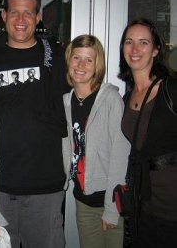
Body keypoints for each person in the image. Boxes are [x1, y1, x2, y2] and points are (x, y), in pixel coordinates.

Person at [0, 0, 68, 248]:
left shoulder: (57, 57)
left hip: (45, 186)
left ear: (38, 17)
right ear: (3, 15)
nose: (20, 20)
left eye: (28, 13)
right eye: (14, 12)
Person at [62, 34, 130, 248]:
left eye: (88, 60)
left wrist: (111, 209)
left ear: (97, 65)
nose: (81, 65)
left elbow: (121, 155)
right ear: (69, 60)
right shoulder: (66, 101)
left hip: (108, 201)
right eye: (76, 58)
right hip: (83, 201)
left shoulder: (111, 100)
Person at [118, 18, 177, 248]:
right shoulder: (127, 97)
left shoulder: (171, 90)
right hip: (143, 206)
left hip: (172, 206)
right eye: (129, 42)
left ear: (155, 50)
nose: (134, 49)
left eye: (143, 42)